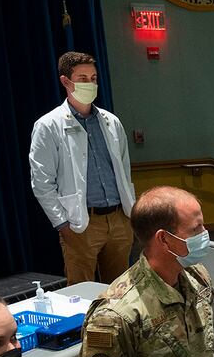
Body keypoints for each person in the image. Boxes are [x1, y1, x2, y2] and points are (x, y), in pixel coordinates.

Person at [72, 186, 214, 357]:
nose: (205, 235)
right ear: (164, 239)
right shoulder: (116, 315)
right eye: (196, 229)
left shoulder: (196, 277)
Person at [30, 51, 136, 286]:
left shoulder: (111, 121)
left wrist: (130, 214)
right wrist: (63, 225)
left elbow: (124, 170)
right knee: (81, 291)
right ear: (66, 82)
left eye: (94, 78)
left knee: (121, 290)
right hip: (81, 222)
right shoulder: (48, 125)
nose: (90, 84)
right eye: (82, 78)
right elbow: (42, 183)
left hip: (119, 219)